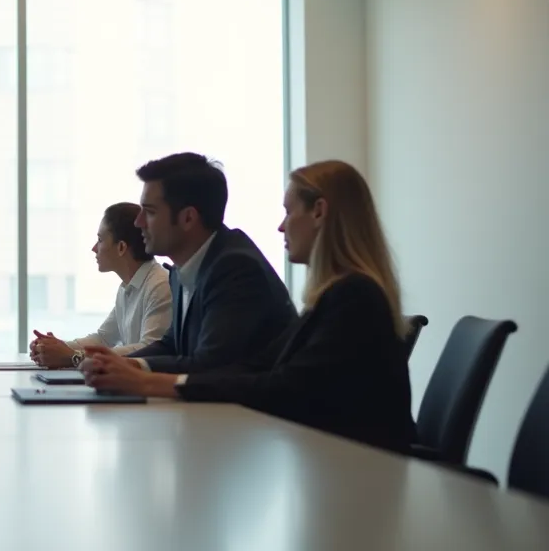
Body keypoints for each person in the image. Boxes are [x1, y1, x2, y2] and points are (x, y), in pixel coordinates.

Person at [80, 160, 417, 453]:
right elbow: (256, 369)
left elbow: (278, 386)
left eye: (288, 211)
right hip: (330, 462)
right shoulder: (335, 296)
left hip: (362, 477)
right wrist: (132, 370)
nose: (281, 226)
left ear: (318, 212)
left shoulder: (352, 296)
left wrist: (144, 381)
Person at [117, 152, 295, 374]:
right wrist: (120, 364)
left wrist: (131, 367)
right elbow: (172, 346)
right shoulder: (182, 269)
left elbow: (210, 365)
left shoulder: (236, 268)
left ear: (188, 218)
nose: (138, 222)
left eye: (150, 212)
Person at [29, 203, 172, 368]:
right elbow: (103, 338)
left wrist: (73, 356)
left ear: (121, 247)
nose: (94, 248)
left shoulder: (160, 286)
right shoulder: (128, 287)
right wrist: (54, 348)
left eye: (100, 240)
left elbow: (149, 349)